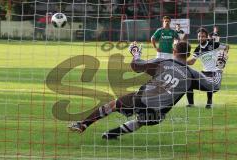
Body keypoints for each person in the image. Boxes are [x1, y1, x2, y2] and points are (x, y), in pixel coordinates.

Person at [68, 41, 226, 139]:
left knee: (113, 105)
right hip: (159, 113)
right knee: (142, 121)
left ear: (174, 51)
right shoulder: (192, 74)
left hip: (142, 99)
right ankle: (113, 134)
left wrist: (136, 52)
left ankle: (83, 124)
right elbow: (215, 86)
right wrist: (219, 68)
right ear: (187, 54)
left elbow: (136, 65)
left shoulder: (163, 61)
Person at [186, 28, 228, 108]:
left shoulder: (213, 44)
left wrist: (223, 56)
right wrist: (180, 62)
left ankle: (209, 102)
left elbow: (226, 47)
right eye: (199, 36)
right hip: (204, 73)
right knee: (188, 81)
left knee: (210, 82)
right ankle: (191, 104)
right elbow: (192, 61)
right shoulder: (198, 49)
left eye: (203, 36)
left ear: (206, 37)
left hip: (216, 72)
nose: (201, 38)